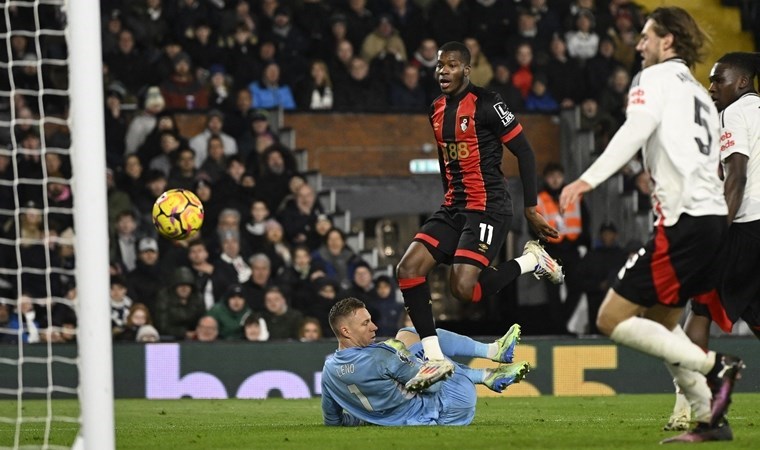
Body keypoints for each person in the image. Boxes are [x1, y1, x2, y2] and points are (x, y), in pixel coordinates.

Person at [558, 7, 744, 443]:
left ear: (668, 41)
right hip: (712, 222)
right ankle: (708, 417)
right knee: (662, 326)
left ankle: (715, 367)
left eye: (646, 36)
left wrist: (587, 179)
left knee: (610, 318)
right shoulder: (699, 93)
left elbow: (634, 130)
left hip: (684, 224)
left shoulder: (653, 79)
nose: (638, 44)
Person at [395, 41, 563, 392]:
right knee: (408, 269)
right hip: (455, 207)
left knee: (462, 289)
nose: (443, 71)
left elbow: (525, 152)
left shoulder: (489, 103)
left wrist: (531, 207)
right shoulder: (436, 109)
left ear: (466, 70)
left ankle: (531, 260)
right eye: (440, 65)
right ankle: (435, 359)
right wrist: (448, 201)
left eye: (452, 65)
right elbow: (445, 161)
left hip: (489, 205)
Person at [664, 51, 760, 432]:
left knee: (699, 311)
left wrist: (717, 233)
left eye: (718, 79)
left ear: (742, 82)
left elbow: (735, 175)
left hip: (744, 224)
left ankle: (690, 406)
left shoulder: (734, 114)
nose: (711, 86)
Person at [321, 297, 529, 426]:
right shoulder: (381, 356)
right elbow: (432, 386)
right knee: (421, 338)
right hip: (451, 407)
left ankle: (488, 374)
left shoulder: (329, 371)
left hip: (403, 421)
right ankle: (491, 357)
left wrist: (366, 419)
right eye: (365, 323)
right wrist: (435, 365)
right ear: (346, 331)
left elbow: (333, 421)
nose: (374, 327)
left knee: (406, 340)